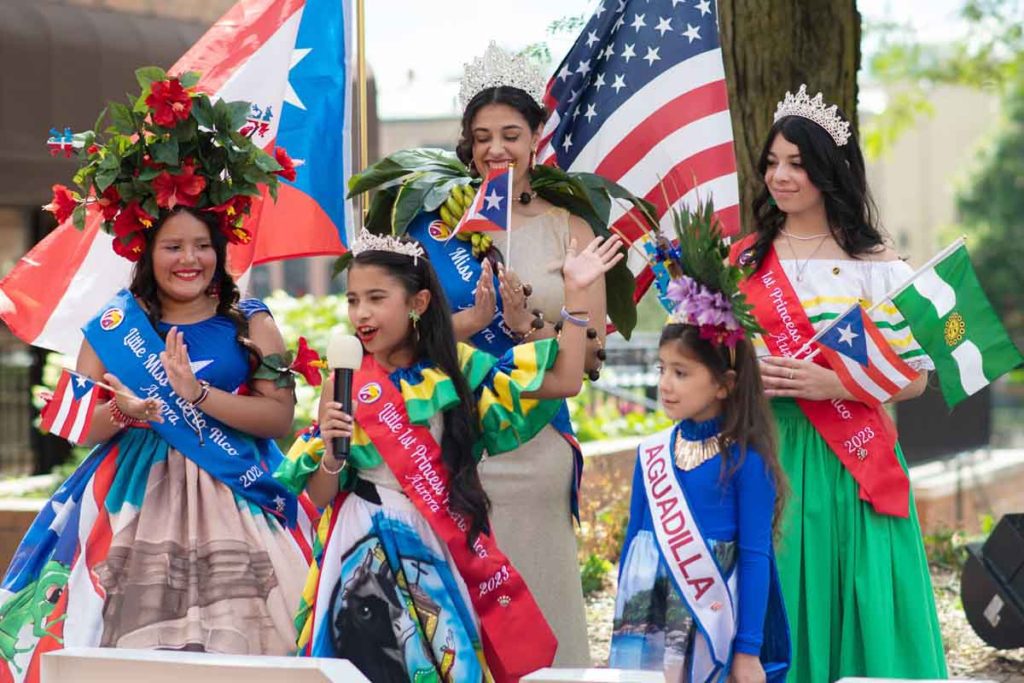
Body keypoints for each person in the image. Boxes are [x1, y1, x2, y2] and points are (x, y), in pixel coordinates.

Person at [0, 73, 313, 678]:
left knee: (253, 649)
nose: (189, 259)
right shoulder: (115, 326)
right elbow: (78, 429)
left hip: (238, 492)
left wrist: (196, 395)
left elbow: (279, 417)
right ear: (147, 253)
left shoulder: (253, 321)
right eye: (173, 246)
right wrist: (126, 412)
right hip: (133, 498)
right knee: (129, 650)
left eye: (202, 245)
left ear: (220, 253)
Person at [345, 43, 646, 666]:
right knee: (458, 620)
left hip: (535, 440)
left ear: (538, 136)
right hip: (450, 443)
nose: (496, 149)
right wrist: (476, 321)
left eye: (511, 133)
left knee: (541, 606)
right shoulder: (435, 227)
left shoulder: (572, 228)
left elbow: (587, 362)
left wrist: (527, 324)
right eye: (482, 137)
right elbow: (402, 338)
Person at [274, 228, 623, 682]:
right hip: (359, 547)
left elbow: (562, 381)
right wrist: (332, 457)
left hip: (436, 542)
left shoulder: (454, 367)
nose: (362, 313)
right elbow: (320, 496)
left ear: (417, 303)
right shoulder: (344, 377)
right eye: (353, 300)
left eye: (377, 298)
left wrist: (576, 295)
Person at [733, 85, 947, 681]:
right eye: (772, 163)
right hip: (765, 448)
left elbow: (912, 378)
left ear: (829, 171)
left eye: (797, 164)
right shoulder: (744, 261)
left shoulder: (876, 265)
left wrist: (836, 386)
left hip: (848, 456)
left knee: (852, 591)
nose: (781, 176)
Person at [609, 209, 790, 683]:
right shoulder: (651, 454)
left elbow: (755, 557)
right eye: (661, 370)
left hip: (714, 621)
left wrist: (748, 651)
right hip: (647, 618)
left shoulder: (748, 462)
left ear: (725, 384)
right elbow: (636, 543)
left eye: (682, 373)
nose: (665, 384)